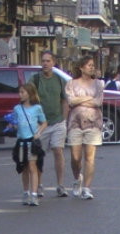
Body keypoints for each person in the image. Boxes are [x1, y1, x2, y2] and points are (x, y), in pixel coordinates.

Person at [29, 51, 69, 198]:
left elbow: (65, 101)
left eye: (48, 61)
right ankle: (39, 185)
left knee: (58, 151)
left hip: (58, 122)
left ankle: (60, 185)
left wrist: (64, 120)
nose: (45, 63)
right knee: (39, 154)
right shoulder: (35, 79)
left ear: (53, 63)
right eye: (43, 61)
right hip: (41, 124)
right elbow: (28, 100)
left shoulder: (59, 80)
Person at [66, 56, 104, 200]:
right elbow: (71, 101)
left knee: (89, 157)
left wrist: (80, 101)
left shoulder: (98, 84)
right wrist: (88, 99)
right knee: (76, 157)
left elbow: (98, 102)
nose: (91, 67)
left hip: (93, 123)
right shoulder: (71, 83)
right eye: (88, 65)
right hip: (75, 123)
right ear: (81, 67)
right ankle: (77, 179)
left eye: (93, 65)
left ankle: (87, 188)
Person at [11, 83, 47, 206]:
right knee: (24, 168)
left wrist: (38, 133)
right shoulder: (17, 108)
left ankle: (34, 194)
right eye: (19, 92)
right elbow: (16, 124)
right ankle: (26, 192)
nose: (20, 95)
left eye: (22, 92)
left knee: (33, 167)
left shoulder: (37, 108)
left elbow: (44, 122)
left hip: (32, 141)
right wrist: (12, 125)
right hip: (21, 142)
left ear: (30, 94)